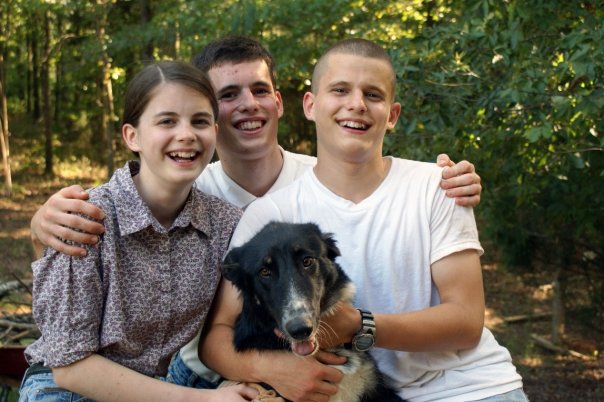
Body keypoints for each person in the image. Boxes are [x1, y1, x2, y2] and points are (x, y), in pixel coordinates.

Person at [28, 37, 483, 398]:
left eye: (259, 90)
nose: (248, 103)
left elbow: (374, 175)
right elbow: (69, 339)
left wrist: (443, 178)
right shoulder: (184, 190)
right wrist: (39, 227)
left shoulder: (306, 185)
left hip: (201, 381)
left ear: (283, 103)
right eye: (228, 94)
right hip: (169, 382)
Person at [199, 39, 528, 402]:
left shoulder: (438, 186)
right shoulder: (270, 216)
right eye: (340, 90)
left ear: (392, 115)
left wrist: (359, 324)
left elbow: (466, 322)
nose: (356, 104)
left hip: (470, 388)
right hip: (358, 390)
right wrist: (274, 370)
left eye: (373, 94)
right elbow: (216, 338)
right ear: (310, 105)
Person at [19, 61, 258, 402]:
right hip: (63, 391)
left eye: (200, 121)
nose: (187, 134)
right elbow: (69, 366)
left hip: (155, 388)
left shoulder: (224, 225)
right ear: (133, 136)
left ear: (215, 133)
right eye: (167, 121)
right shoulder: (85, 218)